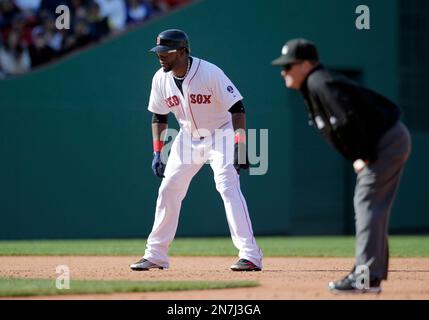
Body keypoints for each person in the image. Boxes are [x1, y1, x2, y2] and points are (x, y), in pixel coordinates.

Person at [271, 39, 411, 294]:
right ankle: (370, 274)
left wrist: (364, 154)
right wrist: (360, 155)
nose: (284, 71)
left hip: (385, 141)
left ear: (306, 64)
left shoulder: (319, 82)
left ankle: (366, 277)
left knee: (367, 202)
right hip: (390, 138)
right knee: (371, 205)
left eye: (289, 66)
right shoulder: (312, 85)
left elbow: (347, 119)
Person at [130, 29, 263, 272]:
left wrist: (240, 144)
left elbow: (238, 108)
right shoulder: (160, 78)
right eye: (158, 52)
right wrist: (157, 151)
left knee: (227, 186)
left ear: (182, 52)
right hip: (187, 137)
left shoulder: (210, 72)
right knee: (169, 188)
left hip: (221, 132)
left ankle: (250, 254)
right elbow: (158, 116)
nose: (160, 57)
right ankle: (156, 254)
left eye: (165, 52)